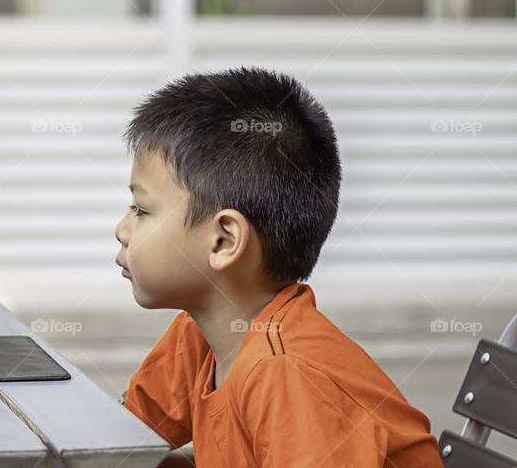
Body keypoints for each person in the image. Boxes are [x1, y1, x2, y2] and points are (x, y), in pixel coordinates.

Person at [115, 67, 442, 467]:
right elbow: (118, 443)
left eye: (141, 209)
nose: (121, 230)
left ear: (224, 241)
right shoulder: (200, 334)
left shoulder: (289, 375)